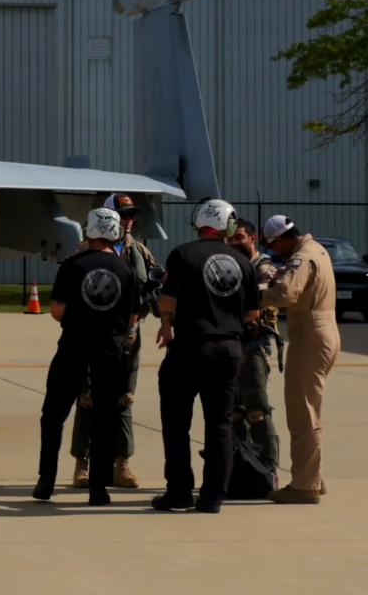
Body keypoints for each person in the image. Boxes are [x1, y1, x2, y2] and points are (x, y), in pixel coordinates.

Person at [151, 198, 260, 513]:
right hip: (228, 349)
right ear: (229, 226)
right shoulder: (242, 262)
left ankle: (179, 492)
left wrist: (168, 322)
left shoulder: (183, 254)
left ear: (198, 222)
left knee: (176, 424)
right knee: (220, 424)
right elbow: (253, 313)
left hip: (190, 344)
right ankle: (213, 497)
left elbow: (168, 302)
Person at [34, 208, 139, 506]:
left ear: (88, 230)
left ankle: (46, 479)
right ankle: (98, 488)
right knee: (105, 417)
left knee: (54, 414)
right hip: (110, 351)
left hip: (74, 346)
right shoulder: (127, 270)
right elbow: (132, 318)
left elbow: (58, 311)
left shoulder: (72, 265)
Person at [70, 193, 155, 489]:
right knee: (87, 397)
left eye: (132, 215)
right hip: (91, 335)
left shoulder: (139, 252)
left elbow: (150, 292)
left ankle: (122, 463)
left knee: (124, 398)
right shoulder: (83, 251)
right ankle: (82, 463)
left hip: (127, 337)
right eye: (124, 215)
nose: (129, 220)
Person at [261, 214, 340, 504]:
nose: (273, 250)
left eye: (273, 245)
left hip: (310, 336)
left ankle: (305, 485)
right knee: (311, 409)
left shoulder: (301, 258)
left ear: (282, 238)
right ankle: (314, 477)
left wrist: (256, 294)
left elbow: (285, 294)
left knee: (302, 412)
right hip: (325, 332)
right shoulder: (317, 249)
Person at [227, 218, 282, 472]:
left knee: (257, 411)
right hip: (231, 347)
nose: (234, 243)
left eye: (239, 237)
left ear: (253, 239)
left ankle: (269, 467)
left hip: (253, 349)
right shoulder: (230, 266)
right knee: (234, 413)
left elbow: (255, 304)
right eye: (230, 238)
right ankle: (239, 465)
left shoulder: (264, 268)